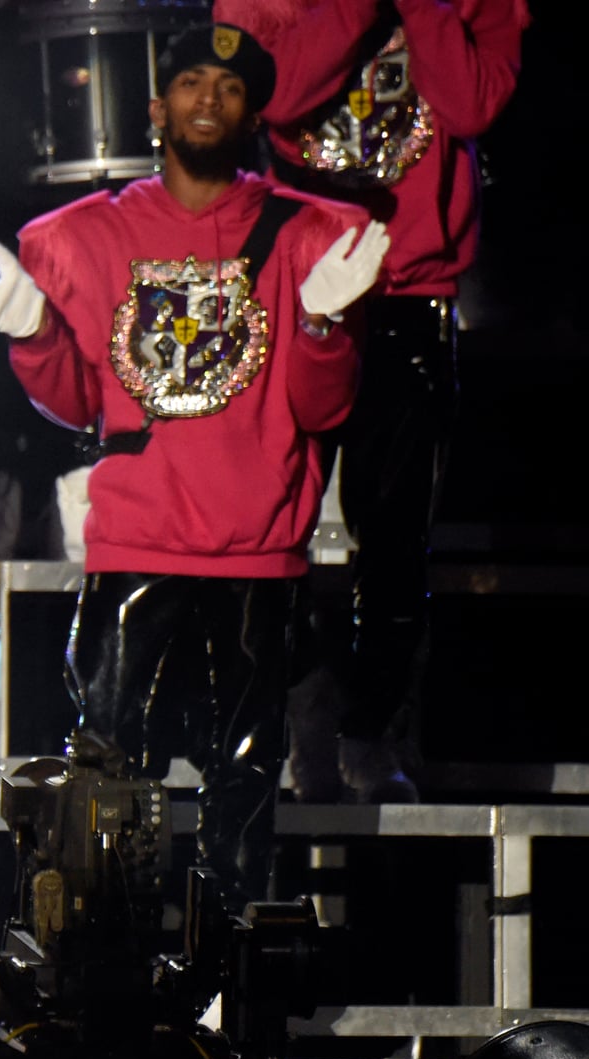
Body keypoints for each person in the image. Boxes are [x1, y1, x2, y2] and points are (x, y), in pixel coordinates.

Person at [0, 25, 384, 913]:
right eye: (191, 81)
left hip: (255, 554)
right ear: (156, 107)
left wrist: (318, 332)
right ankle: (103, 971)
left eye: (229, 88)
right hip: (138, 544)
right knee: (108, 776)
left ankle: (226, 977)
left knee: (242, 781)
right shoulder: (85, 237)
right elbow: (81, 402)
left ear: (252, 113)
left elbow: (324, 409)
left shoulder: (308, 236)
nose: (208, 100)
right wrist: (35, 336)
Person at [212, 0, 527, 803]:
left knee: (392, 532)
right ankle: (305, 697)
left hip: (411, 293)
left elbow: (468, 104)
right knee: (263, 523)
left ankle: (371, 726)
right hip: (303, 285)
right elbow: (271, 94)